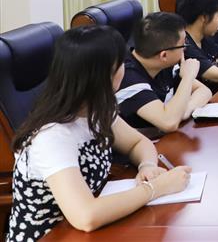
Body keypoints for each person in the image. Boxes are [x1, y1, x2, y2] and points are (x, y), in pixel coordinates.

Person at [7, 26, 192, 239]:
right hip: (52, 236)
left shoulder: (96, 108)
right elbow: (86, 216)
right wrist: (155, 188)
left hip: (92, 229)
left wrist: (147, 166)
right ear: (102, 75)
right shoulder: (52, 137)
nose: (125, 68)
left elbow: (137, 143)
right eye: (121, 63)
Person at [116, 13, 212, 132]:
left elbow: (204, 91)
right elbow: (169, 123)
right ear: (164, 55)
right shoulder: (127, 77)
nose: (185, 49)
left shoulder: (163, 63)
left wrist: (181, 112)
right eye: (183, 44)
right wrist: (188, 77)